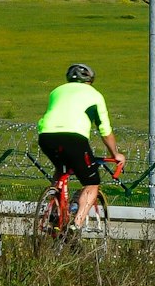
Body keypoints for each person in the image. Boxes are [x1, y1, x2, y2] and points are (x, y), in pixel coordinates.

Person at [37, 63, 124, 228]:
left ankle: (54, 210)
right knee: (92, 183)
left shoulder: (56, 91)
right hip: (74, 138)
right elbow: (104, 130)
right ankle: (75, 226)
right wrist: (115, 154)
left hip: (46, 136)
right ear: (90, 81)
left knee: (61, 169)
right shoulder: (95, 95)